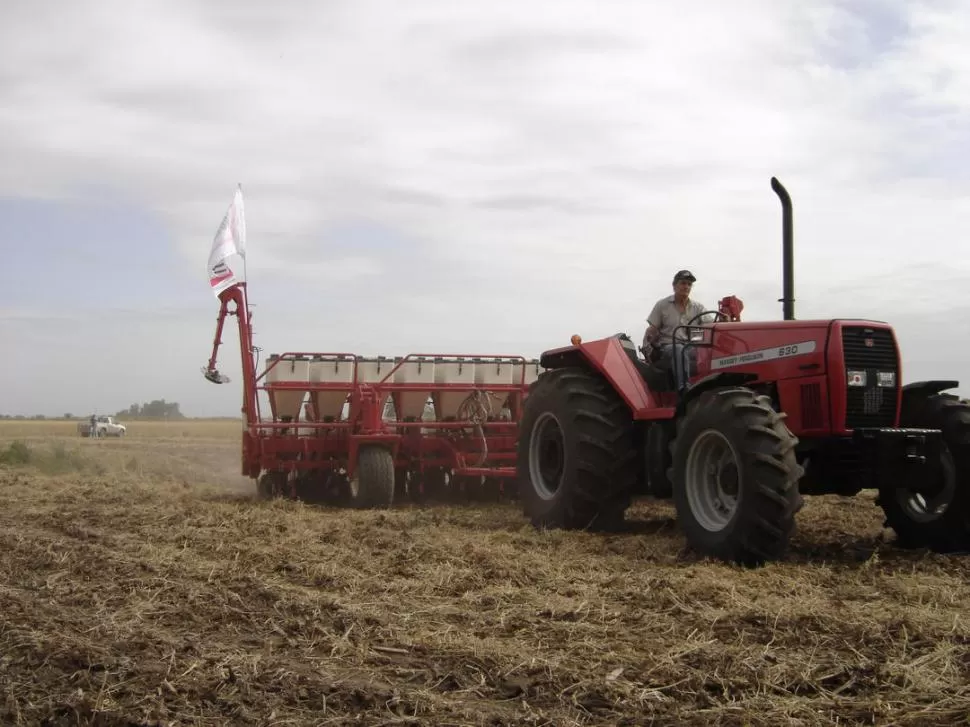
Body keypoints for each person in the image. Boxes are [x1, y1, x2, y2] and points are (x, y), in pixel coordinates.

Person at [642, 269, 708, 390]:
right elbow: (652, 329)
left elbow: (710, 326)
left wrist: (727, 319)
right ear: (674, 286)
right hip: (668, 347)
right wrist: (648, 350)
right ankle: (684, 388)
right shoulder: (662, 305)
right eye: (683, 283)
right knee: (679, 349)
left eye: (689, 284)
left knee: (710, 352)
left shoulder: (698, 307)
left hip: (691, 346)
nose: (686, 287)